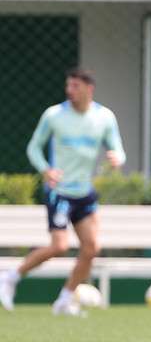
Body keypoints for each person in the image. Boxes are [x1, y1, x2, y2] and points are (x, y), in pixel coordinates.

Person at [0, 68, 126, 316]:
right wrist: (45, 169)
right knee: (59, 246)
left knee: (91, 249)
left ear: (90, 89)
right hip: (59, 192)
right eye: (68, 86)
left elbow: (118, 149)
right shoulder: (54, 115)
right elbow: (34, 148)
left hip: (84, 193)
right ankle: (11, 277)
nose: (70, 91)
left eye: (75, 86)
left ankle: (64, 300)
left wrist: (116, 158)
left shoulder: (104, 117)